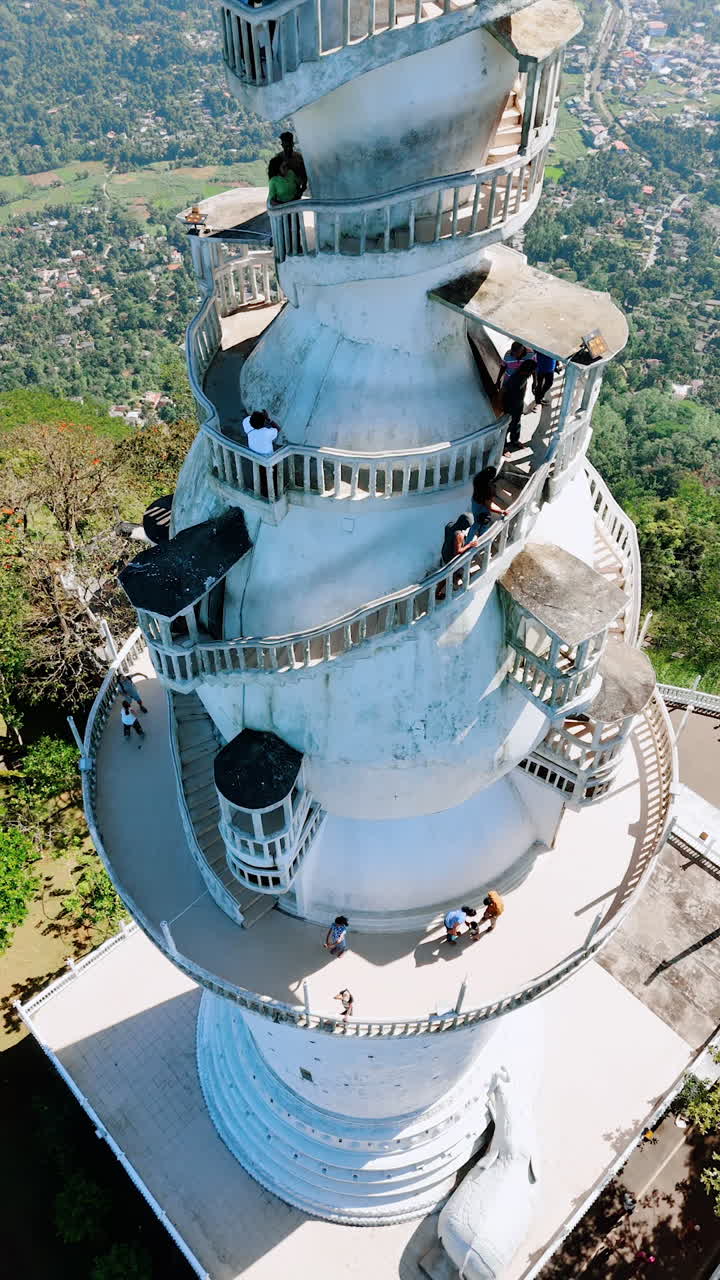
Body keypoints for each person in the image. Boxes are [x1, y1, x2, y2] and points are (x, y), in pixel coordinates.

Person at [501, 357, 537, 452]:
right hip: (510, 406)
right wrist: (507, 409)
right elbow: (506, 393)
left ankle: (514, 441)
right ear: (527, 371)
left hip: (518, 405)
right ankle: (503, 447)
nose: (532, 373)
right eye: (532, 371)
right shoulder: (515, 379)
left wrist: (535, 381)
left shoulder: (524, 376)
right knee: (507, 427)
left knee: (516, 424)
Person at [469, 467, 507, 536]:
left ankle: (468, 541)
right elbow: (489, 507)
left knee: (476, 523)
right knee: (484, 524)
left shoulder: (477, 478)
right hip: (482, 507)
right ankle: (481, 538)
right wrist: (501, 511)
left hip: (475, 502)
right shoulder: (488, 489)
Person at [273, 131, 307, 196]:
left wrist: (302, 189)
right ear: (282, 145)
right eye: (286, 146)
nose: (288, 148)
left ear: (293, 144)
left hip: (295, 194)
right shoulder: (278, 159)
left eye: (289, 146)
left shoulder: (299, 158)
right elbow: (273, 178)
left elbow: (304, 176)